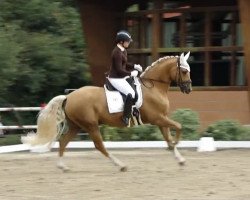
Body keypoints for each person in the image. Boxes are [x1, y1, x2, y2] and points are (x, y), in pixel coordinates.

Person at [107, 30, 143, 126]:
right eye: (127, 41)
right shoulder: (116, 52)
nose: (129, 43)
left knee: (135, 88)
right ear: (121, 41)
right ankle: (125, 117)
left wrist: (134, 66)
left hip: (121, 76)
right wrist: (131, 73)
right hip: (115, 78)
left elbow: (125, 63)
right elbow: (119, 70)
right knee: (130, 93)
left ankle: (133, 108)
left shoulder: (123, 50)